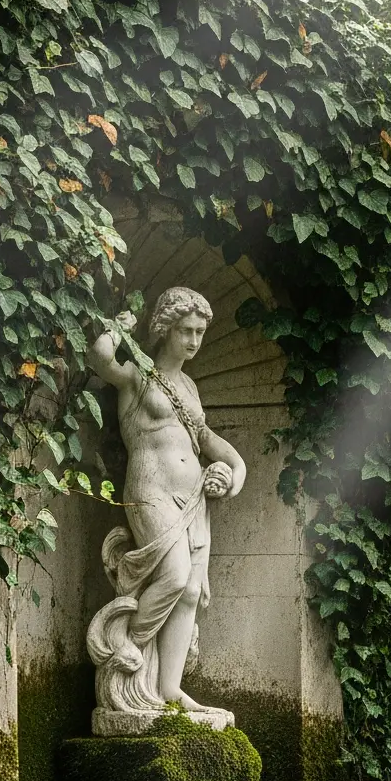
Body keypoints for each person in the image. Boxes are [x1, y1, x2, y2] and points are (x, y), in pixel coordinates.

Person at [86, 285, 246, 730]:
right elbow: (99, 358)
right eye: (185, 331)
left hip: (194, 497)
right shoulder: (139, 375)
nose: (194, 341)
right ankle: (131, 646)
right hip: (151, 488)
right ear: (165, 329)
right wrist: (119, 327)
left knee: (191, 592)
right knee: (174, 576)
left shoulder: (190, 387)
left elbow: (216, 448)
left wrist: (231, 476)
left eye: (199, 332)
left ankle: (170, 688)